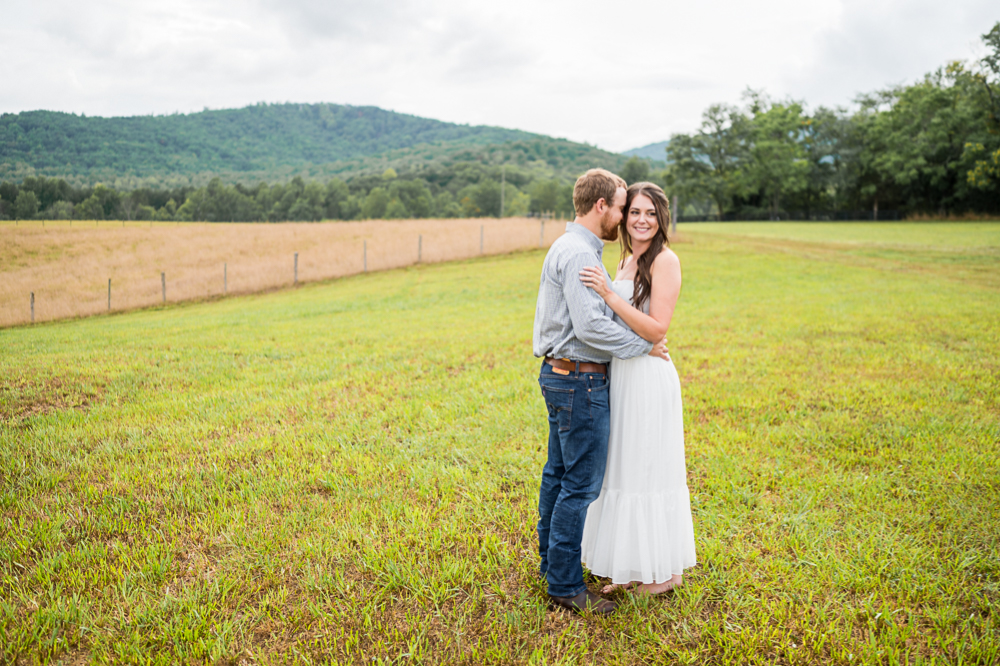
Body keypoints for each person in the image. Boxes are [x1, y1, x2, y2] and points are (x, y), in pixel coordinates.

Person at [533, 169, 669, 616]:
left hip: (564, 374)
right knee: (579, 484)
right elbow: (592, 326)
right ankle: (566, 586)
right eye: (622, 206)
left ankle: (552, 567)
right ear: (601, 207)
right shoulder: (579, 254)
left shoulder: (575, 247)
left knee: (558, 473)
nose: (625, 217)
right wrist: (644, 347)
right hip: (579, 378)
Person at [578, 181, 697, 595]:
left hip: (648, 377)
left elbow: (656, 328)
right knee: (626, 465)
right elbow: (623, 325)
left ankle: (663, 574)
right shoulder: (628, 260)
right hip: (624, 376)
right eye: (634, 212)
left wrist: (608, 295)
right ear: (624, 217)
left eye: (650, 213)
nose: (642, 220)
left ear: (661, 218)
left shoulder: (666, 260)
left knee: (649, 466)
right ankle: (633, 567)